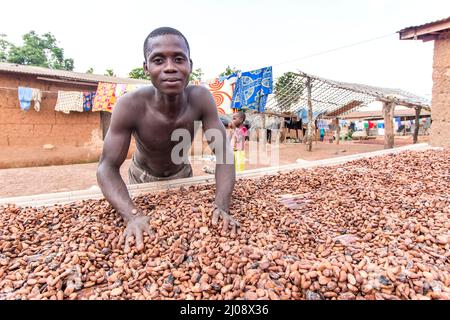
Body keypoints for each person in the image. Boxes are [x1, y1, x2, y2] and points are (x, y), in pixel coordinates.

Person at [97, 27, 240, 252]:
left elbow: (223, 154)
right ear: (146, 67)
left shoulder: (201, 99)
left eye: (179, 59)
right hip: (142, 177)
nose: (170, 67)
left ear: (190, 65)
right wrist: (131, 215)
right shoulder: (129, 105)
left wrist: (221, 205)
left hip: (182, 173)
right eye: (158, 60)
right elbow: (106, 168)